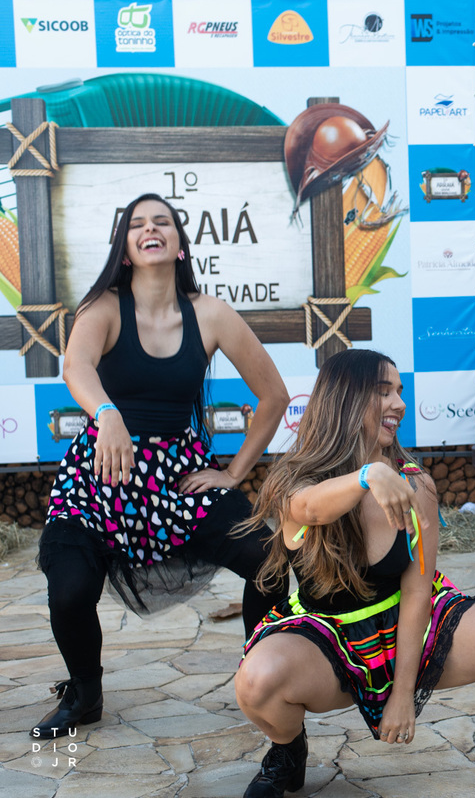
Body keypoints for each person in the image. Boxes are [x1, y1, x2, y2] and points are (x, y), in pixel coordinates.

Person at [235, 350, 475, 797]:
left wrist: (403, 693)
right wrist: (368, 475)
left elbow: (417, 591)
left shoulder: (415, 484)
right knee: (256, 680)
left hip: (412, 622)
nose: (399, 403)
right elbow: (309, 508)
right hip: (328, 634)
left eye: (399, 391)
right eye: (383, 392)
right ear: (344, 400)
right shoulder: (295, 480)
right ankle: (287, 748)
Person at [30, 193, 290, 739]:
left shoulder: (210, 313)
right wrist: (107, 414)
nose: (151, 229)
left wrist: (234, 473)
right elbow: (75, 366)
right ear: (125, 248)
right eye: (138, 224)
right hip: (102, 475)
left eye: (163, 222)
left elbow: (273, 396)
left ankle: (261, 674)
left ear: (179, 243)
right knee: (70, 589)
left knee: (268, 562)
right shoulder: (103, 307)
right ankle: (85, 692)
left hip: (179, 476)